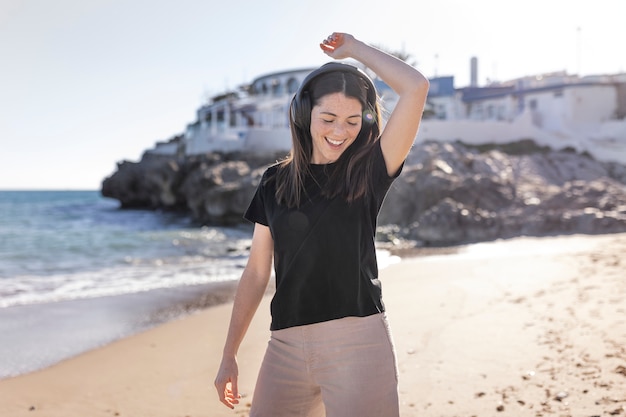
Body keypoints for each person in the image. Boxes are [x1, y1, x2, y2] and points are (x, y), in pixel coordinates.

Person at [214, 32, 429, 416]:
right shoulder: (274, 181)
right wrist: (229, 354)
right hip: (284, 345)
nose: (339, 131)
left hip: (358, 341)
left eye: (350, 121)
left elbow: (415, 87)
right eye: (328, 118)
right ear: (303, 115)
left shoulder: (371, 170)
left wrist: (356, 51)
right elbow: (257, 271)